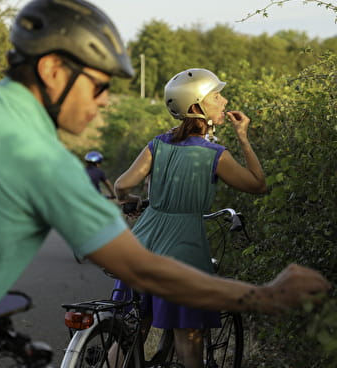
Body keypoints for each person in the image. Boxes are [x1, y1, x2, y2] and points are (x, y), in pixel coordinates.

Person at [0, 0, 329, 368]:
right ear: (53, 69)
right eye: (98, 85)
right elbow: (144, 269)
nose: (106, 102)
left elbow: (124, 186)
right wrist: (267, 296)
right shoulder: (47, 165)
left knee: (130, 322)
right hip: (181, 245)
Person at [112, 67, 270, 367]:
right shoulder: (214, 154)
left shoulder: (156, 145)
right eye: (217, 96)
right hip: (183, 247)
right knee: (189, 337)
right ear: (198, 107)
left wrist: (129, 201)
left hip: (141, 242)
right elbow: (258, 185)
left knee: (131, 333)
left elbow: (121, 185)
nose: (224, 101)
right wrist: (243, 138)